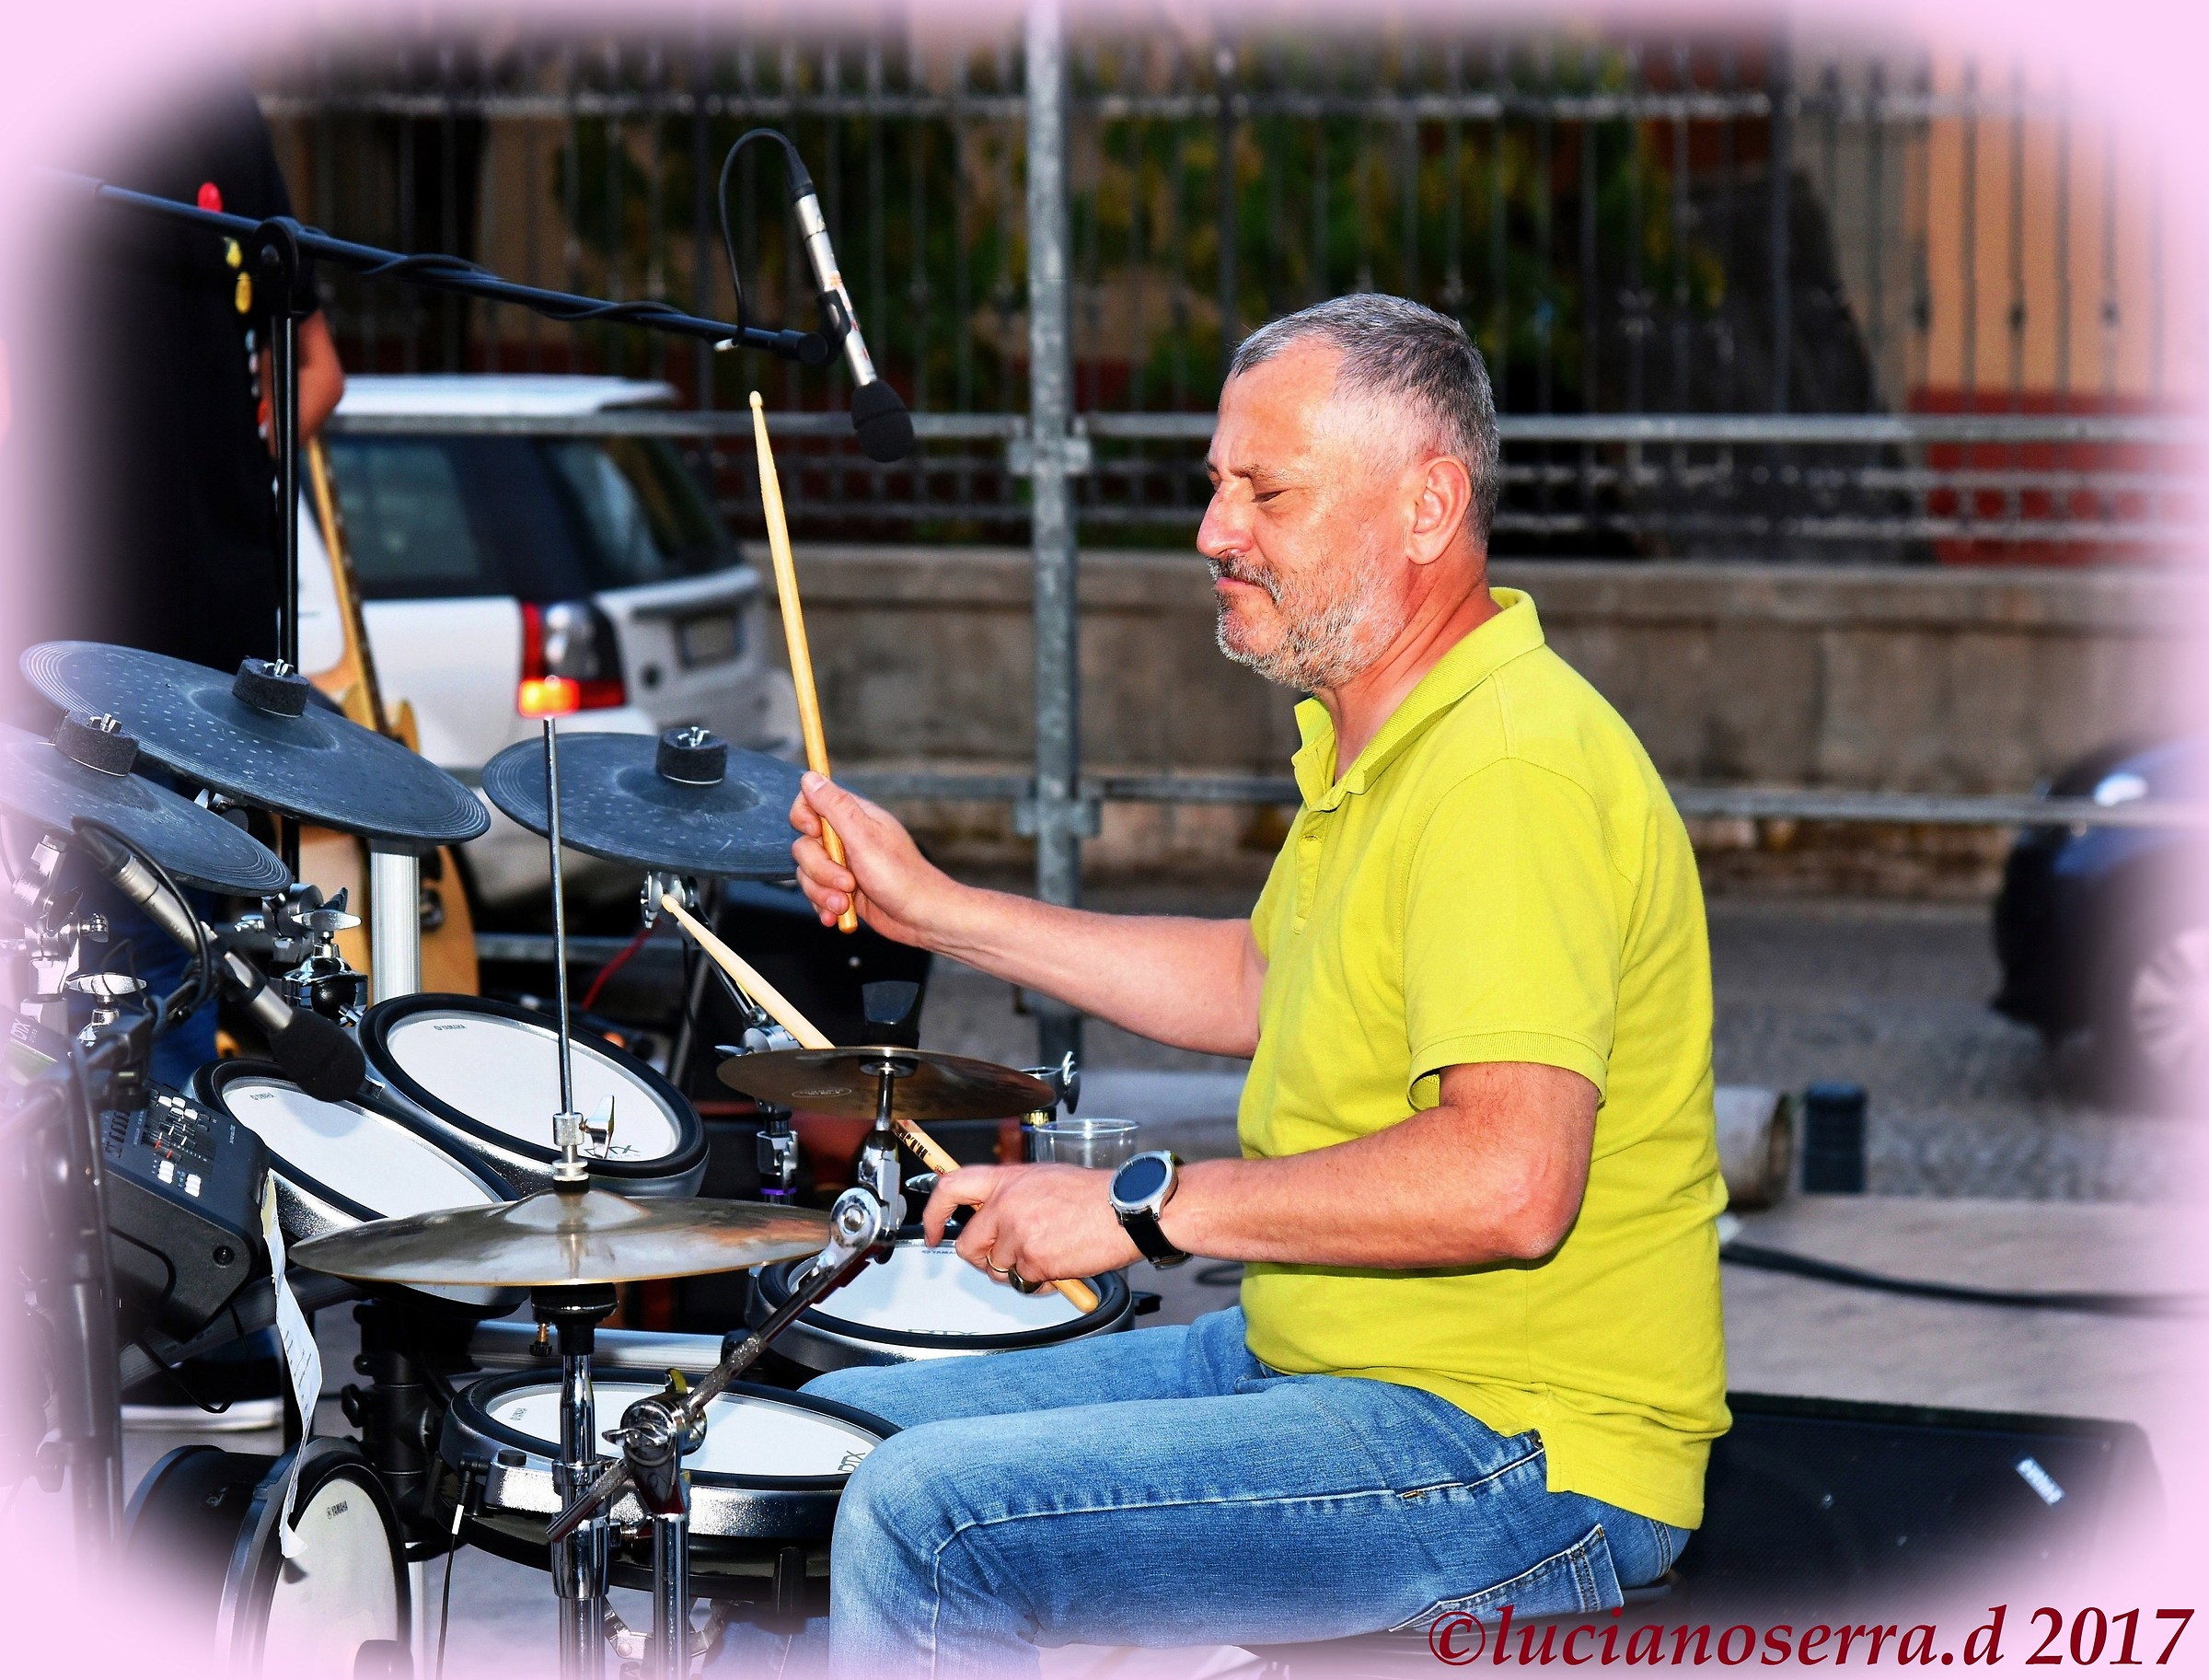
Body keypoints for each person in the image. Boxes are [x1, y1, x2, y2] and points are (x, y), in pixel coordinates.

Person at [783, 295, 1729, 1675]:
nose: (1215, 532)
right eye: (1216, 486)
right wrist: (939, 908)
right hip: (1331, 1360)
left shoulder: (1510, 768)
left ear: (1427, 506)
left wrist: (1139, 1209)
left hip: (1516, 1444)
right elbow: (1255, 978)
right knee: (848, 1424)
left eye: (1267, 492)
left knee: (928, 1519)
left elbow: (1513, 1179)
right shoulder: (1389, 738)